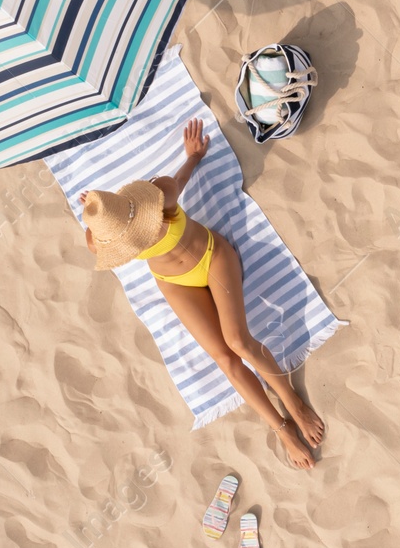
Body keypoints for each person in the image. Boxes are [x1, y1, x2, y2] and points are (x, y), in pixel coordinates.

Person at [79, 119, 325, 469]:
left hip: (212, 256)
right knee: (224, 359)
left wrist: (193, 156)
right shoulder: (102, 239)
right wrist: (95, 213)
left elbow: (179, 180)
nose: (131, 243)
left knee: (238, 342)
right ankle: (281, 427)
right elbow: (96, 234)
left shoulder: (159, 195)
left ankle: (293, 403)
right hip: (175, 282)